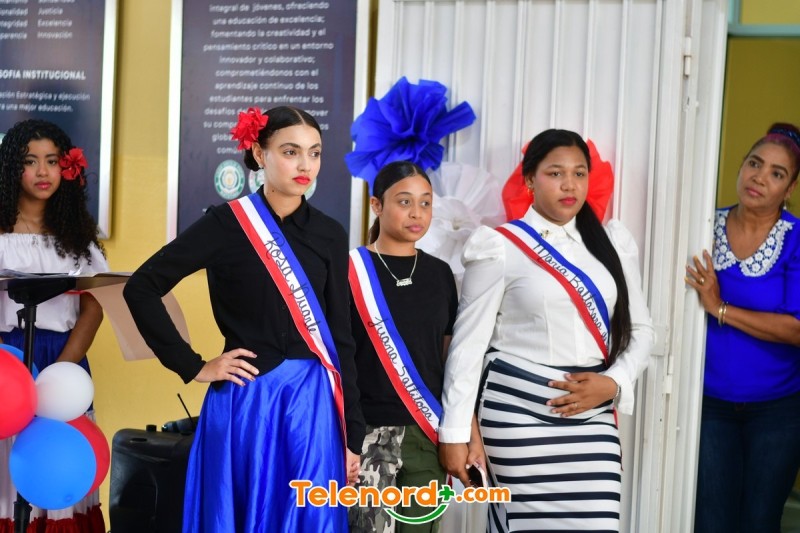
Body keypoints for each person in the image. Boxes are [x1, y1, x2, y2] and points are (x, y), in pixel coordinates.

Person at [123, 106, 364, 532]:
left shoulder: (329, 233)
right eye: (290, 152)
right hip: (247, 400)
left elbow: (341, 336)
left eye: (314, 153)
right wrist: (193, 365)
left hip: (312, 404)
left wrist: (352, 435)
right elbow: (141, 287)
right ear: (258, 153)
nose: (305, 165)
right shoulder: (225, 224)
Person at [438, 129, 654, 532]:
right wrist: (454, 433)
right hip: (516, 417)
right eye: (556, 173)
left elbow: (642, 331)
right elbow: (468, 345)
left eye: (579, 173)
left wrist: (614, 383)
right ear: (529, 180)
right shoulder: (499, 246)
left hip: (591, 417)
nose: (569, 184)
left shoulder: (612, 244)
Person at [688, 123, 800, 533]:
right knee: (710, 520)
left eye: (777, 173)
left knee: (759, 521)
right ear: (741, 167)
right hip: (708, 404)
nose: (760, 177)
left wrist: (719, 308)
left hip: (779, 410)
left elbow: (796, 329)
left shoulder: (796, 239)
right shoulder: (702, 227)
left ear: (788, 189)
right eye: (755, 163)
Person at [0, 119, 108, 532]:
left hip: (64, 359)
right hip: (7, 363)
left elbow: (94, 305)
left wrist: (63, 368)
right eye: (30, 162)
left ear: (68, 167)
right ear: (12, 169)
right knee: (12, 471)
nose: (43, 172)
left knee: (59, 464)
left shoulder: (79, 238)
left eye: (52, 161)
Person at [347, 161, 458, 532]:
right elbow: (338, 360)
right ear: (377, 205)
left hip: (426, 433)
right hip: (366, 434)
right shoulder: (350, 271)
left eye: (426, 203)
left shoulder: (440, 273)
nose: (417, 213)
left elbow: (448, 359)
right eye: (405, 201)